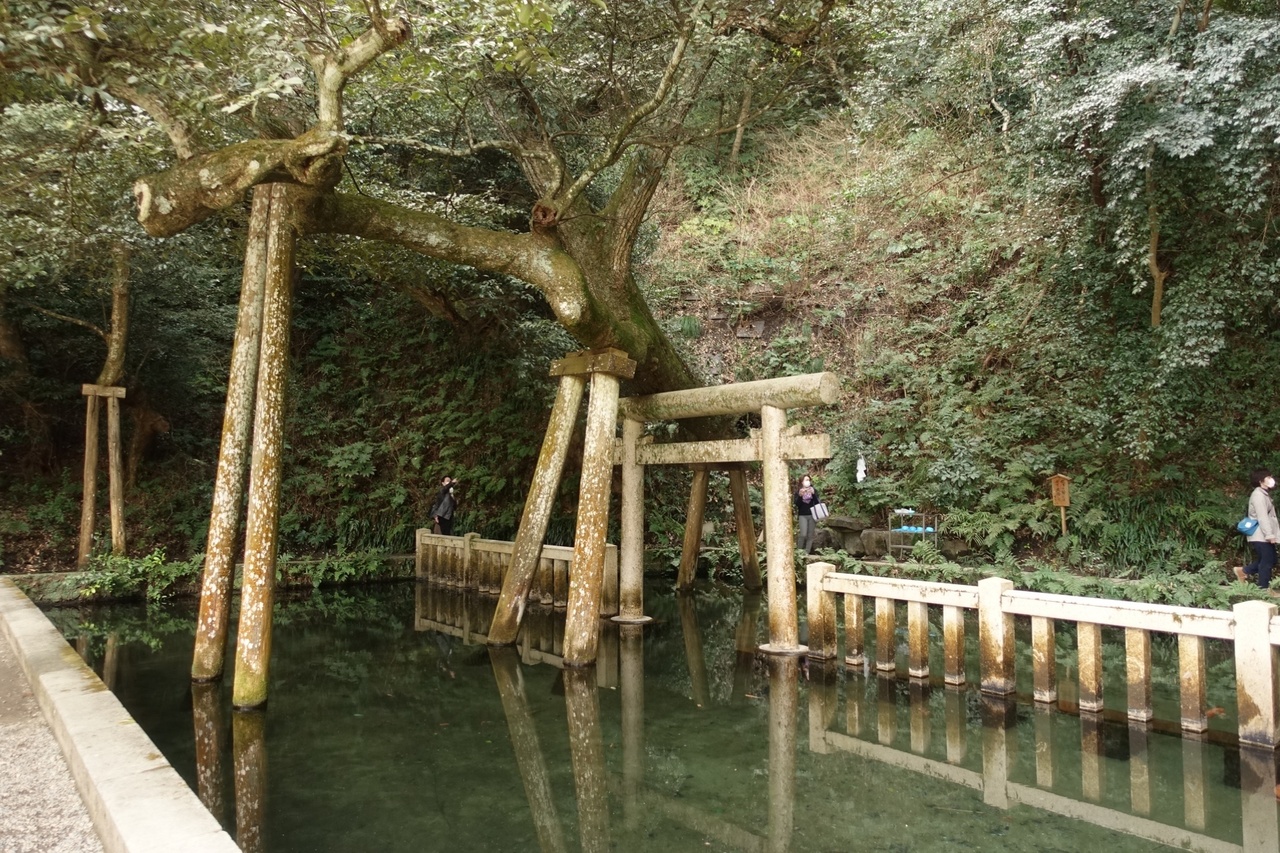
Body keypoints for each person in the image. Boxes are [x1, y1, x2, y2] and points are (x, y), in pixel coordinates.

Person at [1235, 468, 1278, 590]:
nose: (1271, 479)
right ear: (1260, 481)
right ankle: (1263, 590)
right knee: (1267, 562)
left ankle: (1244, 571)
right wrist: (1269, 535)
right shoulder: (1258, 495)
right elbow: (1262, 517)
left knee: (1271, 560)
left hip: (1262, 534)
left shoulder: (1263, 494)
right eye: (1268, 477)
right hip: (1261, 535)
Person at [793, 474, 822, 553]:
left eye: (809, 480)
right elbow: (797, 504)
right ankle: (798, 552)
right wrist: (800, 496)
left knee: (810, 536)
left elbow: (817, 503)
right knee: (803, 534)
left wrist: (813, 494)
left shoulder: (813, 490)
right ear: (802, 482)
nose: (808, 481)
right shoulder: (798, 491)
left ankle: (806, 553)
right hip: (803, 515)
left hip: (812, 515)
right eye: (806, 480)